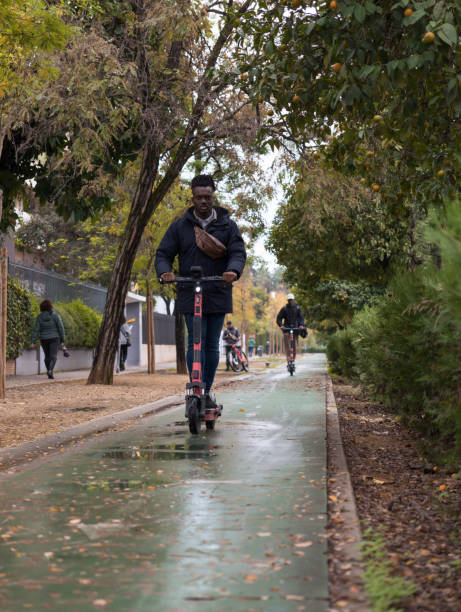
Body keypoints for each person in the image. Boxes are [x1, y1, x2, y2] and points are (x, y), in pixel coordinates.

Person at [155, 174, 246, 408]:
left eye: (208, 196)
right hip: (188, 290)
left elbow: (237, 252)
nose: (203, 201)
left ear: (213, 196)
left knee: (211, 343)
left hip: (217, 290)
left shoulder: (227, 225)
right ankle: (196, 387)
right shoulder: (180, 226)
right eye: (199, 197)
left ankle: (205, 390)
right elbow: (163, 253)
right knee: (195, 340)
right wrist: (165, 272)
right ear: (193, 198)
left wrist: (233, 271)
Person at [31, 299, 65, 379]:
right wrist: (63, 339)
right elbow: (61, 328)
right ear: (50, 307)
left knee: (47, 356)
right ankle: (50, 370)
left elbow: (36, 329)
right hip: (54, 338)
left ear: (41, 308)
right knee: (53, 356)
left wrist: (33, 341)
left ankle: (49, 371)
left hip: (44, 339)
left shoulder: (39, 317)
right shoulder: (55, 315)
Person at [276, 293, 306, 361]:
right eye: (289, 300)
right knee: (286, 338)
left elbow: (301, 318)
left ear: (293, 300)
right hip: (287, 328)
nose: (291, 301)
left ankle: (293, 358)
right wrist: (281, 325)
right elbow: (278, 318)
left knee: (294, 344)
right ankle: (289, 357)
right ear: (287, 300)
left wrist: (301, 325)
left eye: (291, 300)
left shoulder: (297, 308)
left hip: (295, 328)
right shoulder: (284, 309)